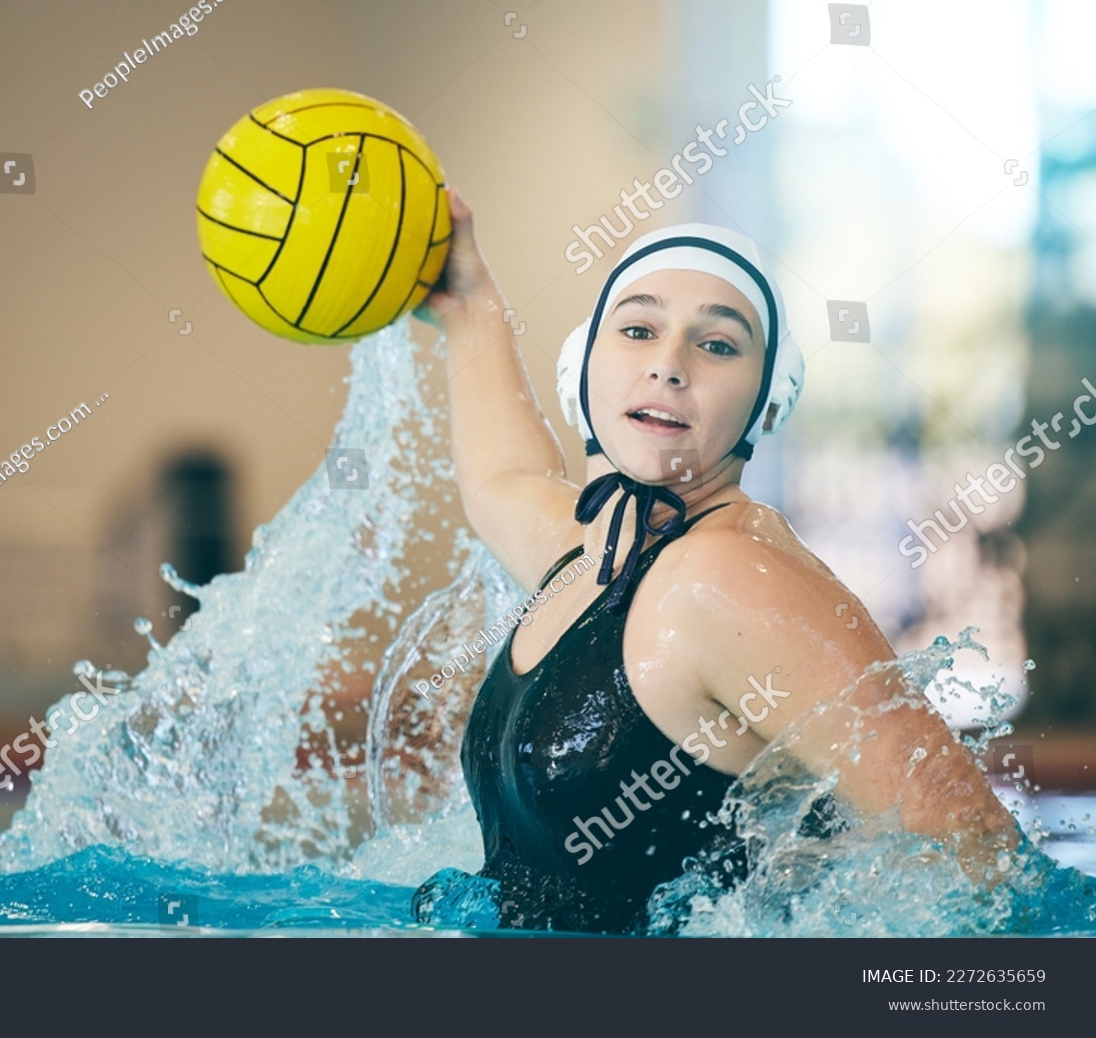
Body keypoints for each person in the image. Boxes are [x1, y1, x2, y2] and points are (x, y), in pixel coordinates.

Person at [408, 188, 1022, 934]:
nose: (669, 366)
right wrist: (466, 303)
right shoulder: (595, 554)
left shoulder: (728, 578)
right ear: (581, 368)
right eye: (637, 329)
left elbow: (981, 852)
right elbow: (505, 481)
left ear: (769, 398)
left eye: (718, 344)